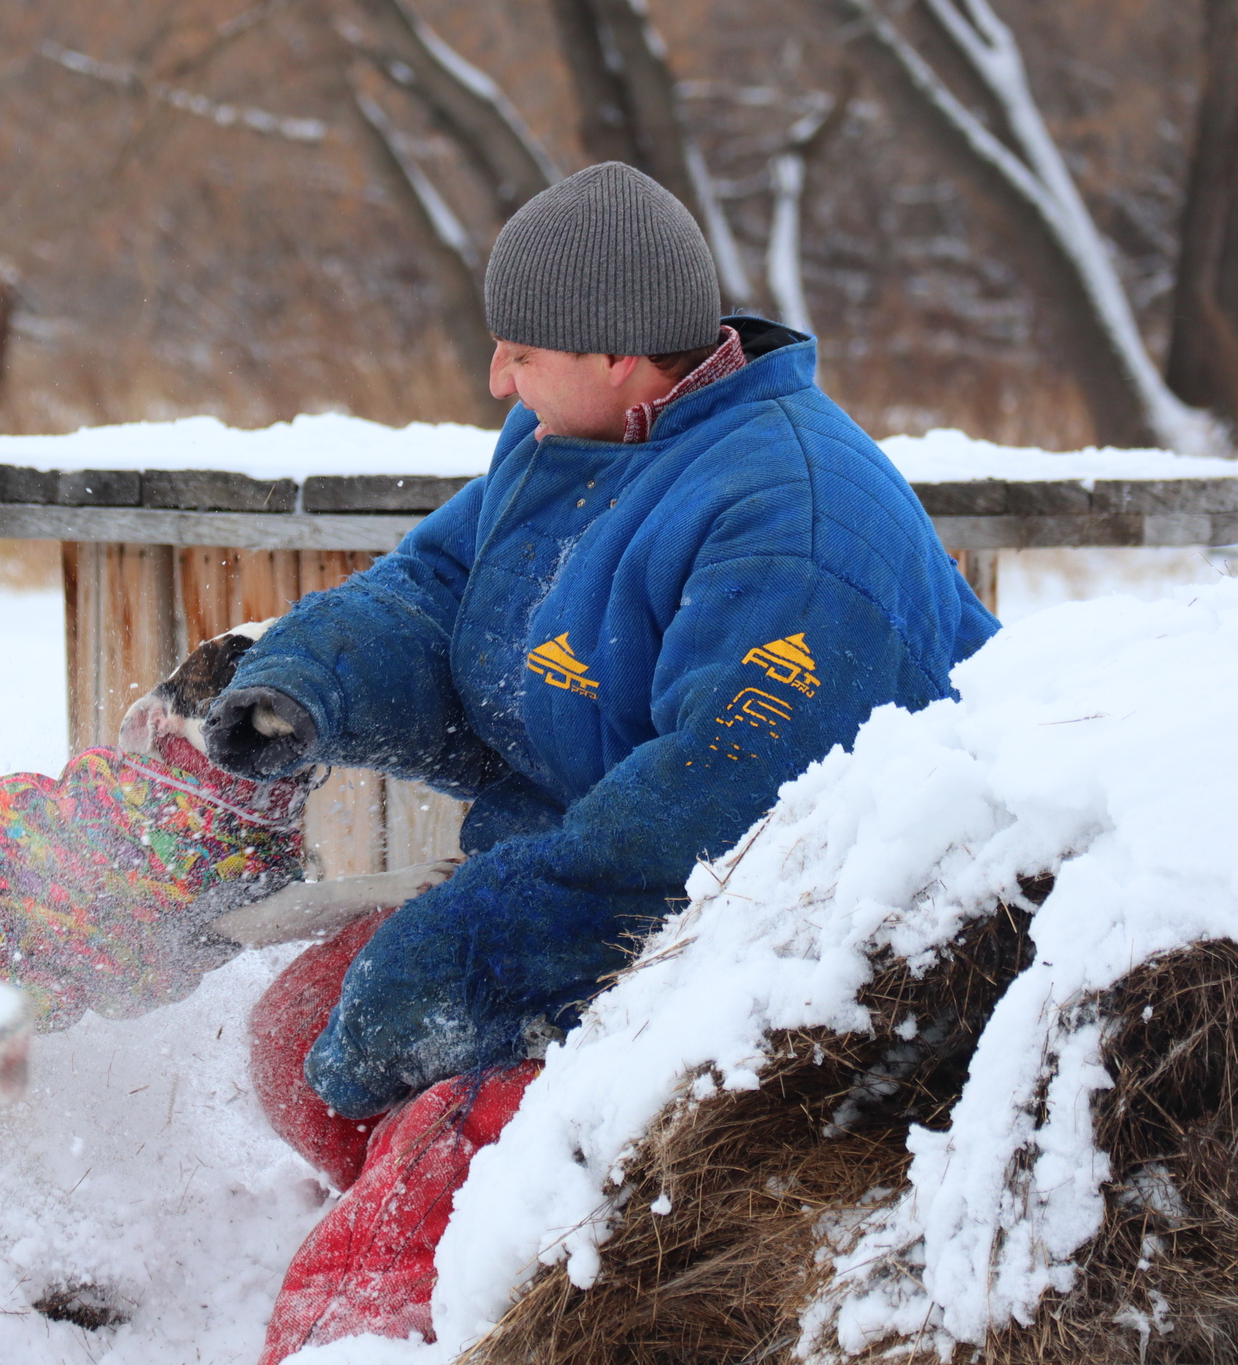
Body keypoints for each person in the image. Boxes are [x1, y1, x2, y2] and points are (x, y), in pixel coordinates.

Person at [203, 162, 1000, 1361]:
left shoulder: (793, 517)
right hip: (595, 881)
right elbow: (437, 585)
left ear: (621, 356)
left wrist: (463, 965)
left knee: (438, 1156)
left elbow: (711, 834)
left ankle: (431, 1284)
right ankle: (445, 1193)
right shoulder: (564, 434)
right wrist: (307, 684)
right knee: (303, 1039)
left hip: (777, 963)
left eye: (517, 352)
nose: (495, 380)